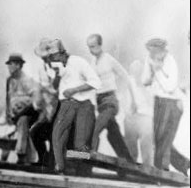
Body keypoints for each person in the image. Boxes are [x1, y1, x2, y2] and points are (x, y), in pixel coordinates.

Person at [48, 39, 101, 174]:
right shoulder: (57, 66)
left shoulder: (78, 62)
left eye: (54, 56)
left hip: (84, 104)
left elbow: (95, 82)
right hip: (67, 103)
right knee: (56, 135)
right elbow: (55, 87)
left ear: (62, 53)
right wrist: (56, 76)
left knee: (80, 148)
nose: (53, 59)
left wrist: (74, 90)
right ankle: (60, 167)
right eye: (51, 57)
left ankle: (87, 158)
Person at [86, 34, 135, 162]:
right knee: (113, 134)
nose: (91, 49)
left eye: (93, 46)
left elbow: (125, 76)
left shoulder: (108, 59)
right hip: (100, 103)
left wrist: (131, 99)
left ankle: (86, 164)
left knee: (95, 130)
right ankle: (127, 161)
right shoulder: (92, 62)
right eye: (89, 47)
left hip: (110, 102)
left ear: (100, 45)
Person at [142, 38, 184, 171]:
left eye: (155, 52)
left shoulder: (170, 61)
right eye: (151, 52)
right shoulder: (150, 59)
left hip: (172, 103)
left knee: (164, 139)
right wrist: (151, 71)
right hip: (159, 101)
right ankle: (185, 165)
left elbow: (170, 87)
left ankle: (161, 169)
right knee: (159, 138)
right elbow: (144, 80)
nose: (153, 55)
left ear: (163, 51)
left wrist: (157, 72)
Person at [29, 38, 61, 170]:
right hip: (48, 107)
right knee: (35, 132)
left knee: (56, 133)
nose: (46, 59)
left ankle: (53, 163)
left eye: (48, 56)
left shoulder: (60, 67)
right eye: (43, 57)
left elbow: (56, 89)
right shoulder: (42, 68)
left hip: (61, 106)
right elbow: (41, 88)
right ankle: (44, 158)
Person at [5, 53, 38, 166]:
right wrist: (8, 113)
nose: (9, 67)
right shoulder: (9, 80)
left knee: (23, 121)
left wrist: (21, 110)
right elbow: (8, 98)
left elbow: (34, 101)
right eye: (8, 64)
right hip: (15, 114)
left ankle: (22, 155)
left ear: (18, 65)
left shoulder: (27, 80)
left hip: (29, 114)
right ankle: (31, 157)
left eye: (11, 64)